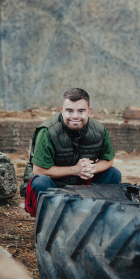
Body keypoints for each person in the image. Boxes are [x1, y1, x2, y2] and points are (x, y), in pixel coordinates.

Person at [20, 88, 121, 217]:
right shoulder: (47, 132)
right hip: (53, 189)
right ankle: (51, 219)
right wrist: (75, 169)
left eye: (81, 111)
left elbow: (108, 159)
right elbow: (39, 171)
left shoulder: (99, 130)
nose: (75, 116)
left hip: (82, 190)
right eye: (69, 111)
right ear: (61, 110)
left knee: (113, 174)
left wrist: (91, 168)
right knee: (40, 181)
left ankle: (93, 216)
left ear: (89, 111)